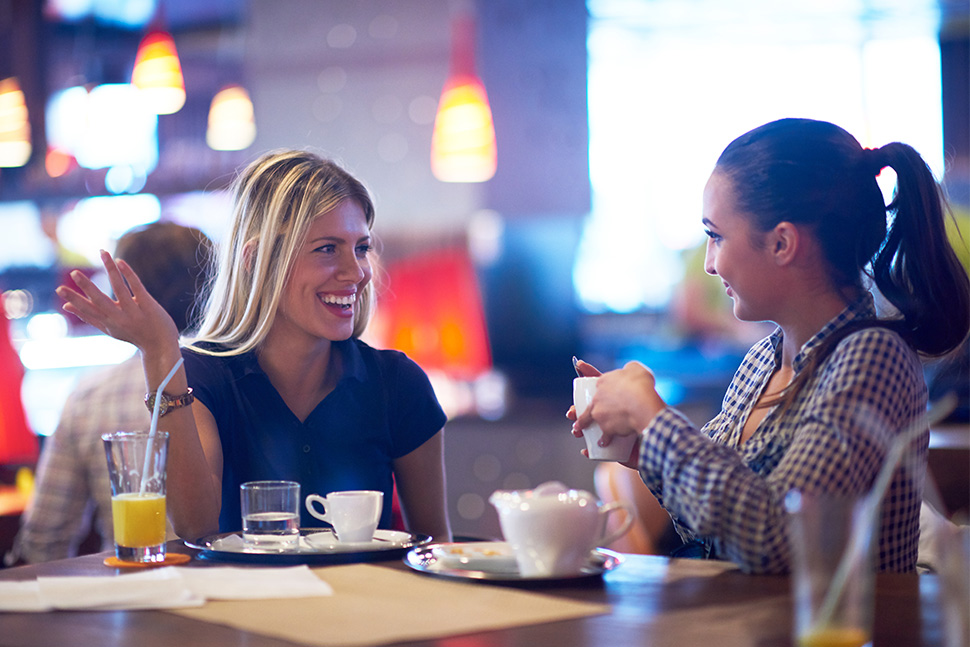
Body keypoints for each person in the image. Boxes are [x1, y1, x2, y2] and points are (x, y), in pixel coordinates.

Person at [571, 118, 970, 574]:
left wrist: (653, 416)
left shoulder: (871, 356)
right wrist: (642, 448)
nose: (708, 263)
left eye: (716, 235)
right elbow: (718, 531)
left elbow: (778, 540)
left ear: (782, 243)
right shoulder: (763, 360)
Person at [56, 150, 452, 542]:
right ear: (255, 258)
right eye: (328, 248)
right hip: (243, 606)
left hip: (370, 604)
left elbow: (434, 547)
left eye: (361, 247)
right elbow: (196, 526)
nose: (357, 272)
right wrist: (161, 352)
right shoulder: (204, 376)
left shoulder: (398, 383)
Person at [10, 222, 212, 563]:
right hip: (231, 586)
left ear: (123, 295)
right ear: (213, 285)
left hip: (127, 591)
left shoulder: (90, 396)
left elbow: (45, 541)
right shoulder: (240, 377)